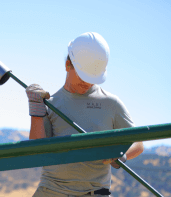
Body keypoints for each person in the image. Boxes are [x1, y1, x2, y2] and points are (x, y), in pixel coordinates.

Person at [26, 32, 144, 197]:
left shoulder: (111, 103)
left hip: (95, 193)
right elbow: (37, 152)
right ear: (68, 65)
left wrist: (122, 155)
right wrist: (36, 111)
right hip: (51, 191)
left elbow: (138, 142)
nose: (88, 82)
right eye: (83, 76)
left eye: (92, 77)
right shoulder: (50, 104)